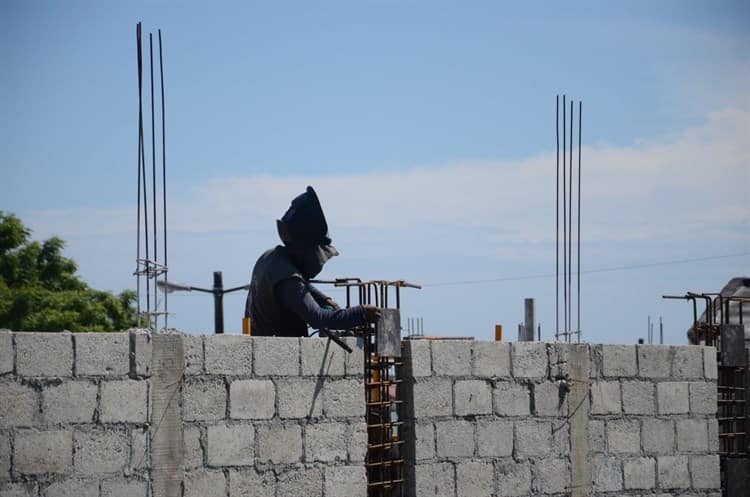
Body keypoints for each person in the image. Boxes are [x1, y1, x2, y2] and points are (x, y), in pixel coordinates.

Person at [245, 186, 380, 337]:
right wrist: (360, 313)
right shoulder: (288, 279)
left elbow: (301, 285)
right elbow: (317, 318)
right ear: (307, 249)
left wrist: (324, 299)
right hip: (277, 355)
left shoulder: (270, 258)